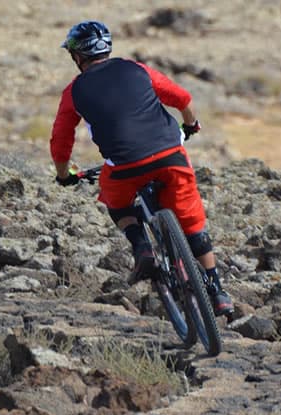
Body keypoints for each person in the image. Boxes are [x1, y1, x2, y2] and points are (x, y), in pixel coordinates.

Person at [49, 20, 233, 317]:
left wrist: (64, 174)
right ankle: (217, 290)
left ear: (77, 56)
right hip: (171, 155)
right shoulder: (137, 69)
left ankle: (141, 247)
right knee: (192, 218)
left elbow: (61, 140)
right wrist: (191, 124)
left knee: (116, 202)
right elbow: (182, 98)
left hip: (124, 167)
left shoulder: (74, 92)